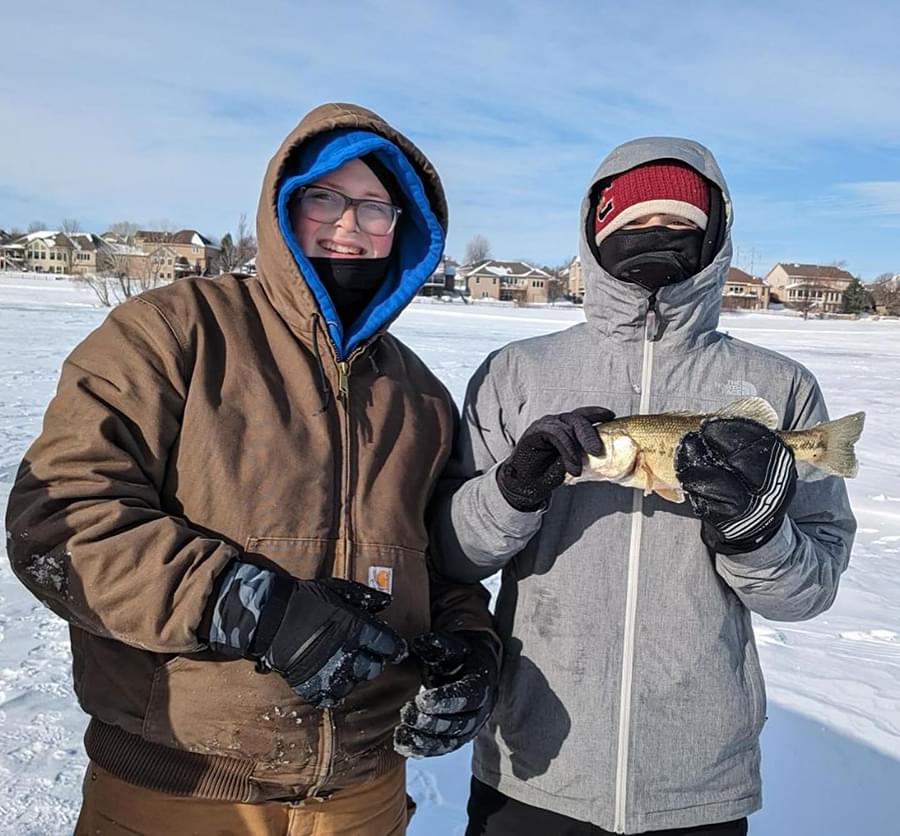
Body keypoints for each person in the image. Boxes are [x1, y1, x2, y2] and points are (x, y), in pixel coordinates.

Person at [5, 102, 500, 836]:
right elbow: (58, 521)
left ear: (405, 230)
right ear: (282, 207)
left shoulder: (420, 393)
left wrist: (470, 647)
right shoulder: (173, 332)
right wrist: (243, 602)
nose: (348, 228)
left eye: (374, 208)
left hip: (363, 798)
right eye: (324, 199)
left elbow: (441, 563)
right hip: (182, 789)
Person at [430, 139, 856, 835]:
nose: (656, 236)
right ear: (595, 233)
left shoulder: (782, 387)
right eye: (632, 222)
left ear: (715, 238)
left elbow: (808, 593)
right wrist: (512, 491)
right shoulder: (516, 371)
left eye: (681, 224)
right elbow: (451, 558)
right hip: (532, 766)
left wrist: (757, 534)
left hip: (698, 780)